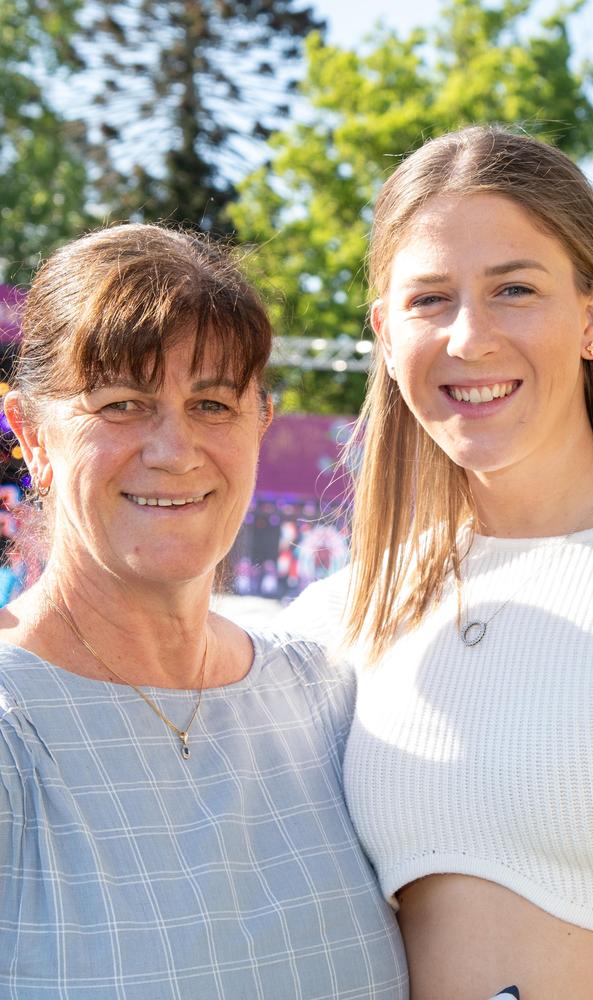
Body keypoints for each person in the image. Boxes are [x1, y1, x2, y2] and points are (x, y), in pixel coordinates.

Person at [279, 125, 593, 1000]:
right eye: (430, 299)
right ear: (383, 332)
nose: (470, 337)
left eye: (514, 288)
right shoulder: (340, 620)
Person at [0, 223, 408, 998]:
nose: (174, 448)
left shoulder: (322, 698)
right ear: (31, 435)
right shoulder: (13, 729)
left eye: (212, 402)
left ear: (261, 420)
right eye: (122, 404)